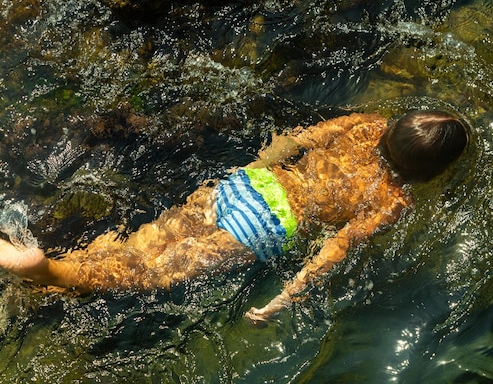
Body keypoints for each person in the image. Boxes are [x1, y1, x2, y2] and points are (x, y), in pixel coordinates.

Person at [0, 110, 468, 323]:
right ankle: (43, 268)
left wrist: (252, 169)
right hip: (268, 226)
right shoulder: (394, 201)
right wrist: (283, 300)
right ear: (430, 173)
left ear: (394, 128)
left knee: (140, 249)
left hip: (258, 184)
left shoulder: (368, 124)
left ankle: (40, 269)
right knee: (146, 276)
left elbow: (295, 141)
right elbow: (336, 249)